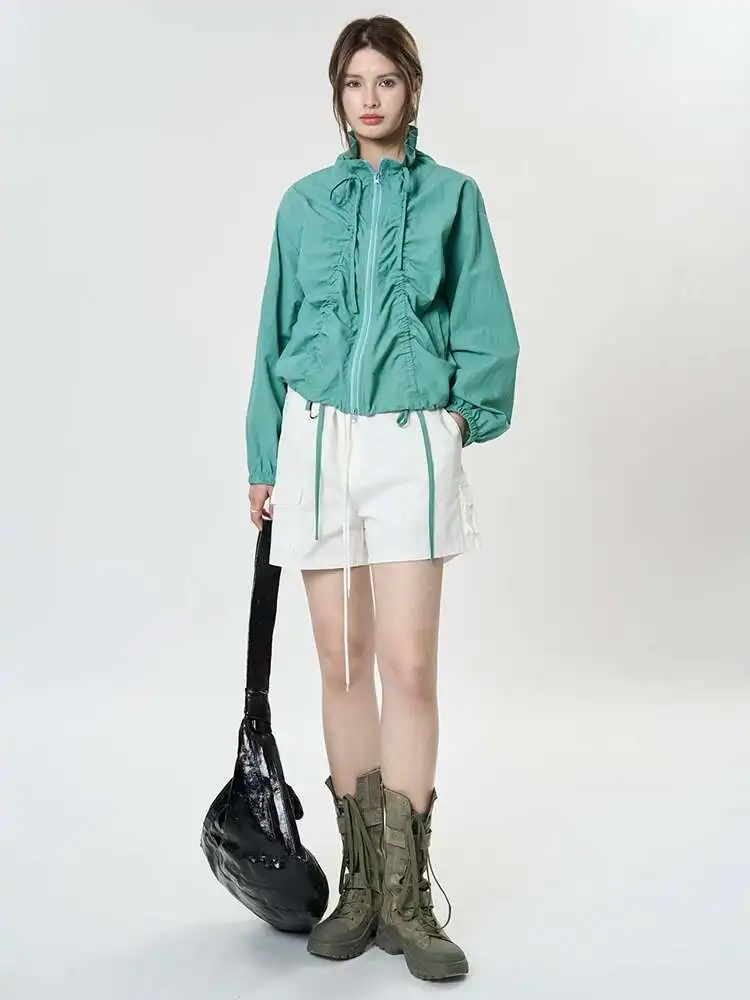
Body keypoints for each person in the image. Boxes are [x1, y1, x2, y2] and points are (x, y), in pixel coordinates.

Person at [244, 15, 519, 983]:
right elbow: (273, 329)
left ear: (412, 90)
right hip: (317, 440)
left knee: (407, 663)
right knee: (339, 660)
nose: (370, 98)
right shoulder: (302, 205)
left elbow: (486, 324)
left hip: (409, 439)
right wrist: (263, 454)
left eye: (387, 81)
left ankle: (408, 894)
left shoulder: (453, 198)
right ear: (338, 94)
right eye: (354, 82)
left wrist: (458, 423)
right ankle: (359, 885)